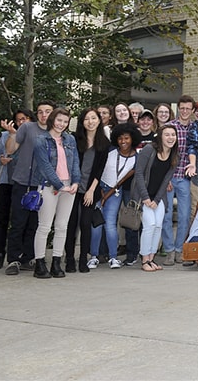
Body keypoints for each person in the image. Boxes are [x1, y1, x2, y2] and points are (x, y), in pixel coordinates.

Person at [1, 100, 56, 275]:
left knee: (36, 224)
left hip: (44, 185)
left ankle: (29, 257)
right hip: (23, 182)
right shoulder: (27, 128)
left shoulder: (57, 131)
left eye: (48, 111)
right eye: (40, 111)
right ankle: (14, 260)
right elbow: (10, 150)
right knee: (18, 222)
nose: (44, 115)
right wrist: (11, 134)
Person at [32, 108, 80, 278]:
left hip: (69, 187)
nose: (62, 124)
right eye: (59, 120)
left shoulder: (70, 139)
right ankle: (39, 263)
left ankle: (56, 263)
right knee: (44, 226)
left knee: (62, 226)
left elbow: (74, 162)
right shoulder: (40, 140)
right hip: (48, 186)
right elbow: (45, 167)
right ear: (52, 120)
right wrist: (59, 185)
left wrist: (75, 182)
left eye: (65, 121)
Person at [88, 123, 140, 270]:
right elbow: (98, 171)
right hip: (98, 188)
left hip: (114, 192)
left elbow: (121, 181)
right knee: (96, 223)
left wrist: (107, 196)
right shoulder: (109, 151)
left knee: (110, 224)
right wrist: (100, 193)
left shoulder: (136, 158)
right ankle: (93, 257)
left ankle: (113, 257)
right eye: (120, 138)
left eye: (126, 138)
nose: (123, 141)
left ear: (132, 139)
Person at [66, 108, 109, 274]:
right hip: (72, 188)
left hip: (90, 190)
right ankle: (69, 258)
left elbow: (99, 170)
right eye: (86, 119)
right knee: (71, 224)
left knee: (85, 224)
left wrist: (91, 190)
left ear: (99, 120)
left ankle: (83, 258)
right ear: (82, 122)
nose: (90, 122)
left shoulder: (104, 143)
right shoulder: (74, 139)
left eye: (93, 118)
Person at [0, 109, 33, 270]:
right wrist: (0, 159)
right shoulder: (5, 135)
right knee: (2, 219)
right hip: (5, 182)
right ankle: (0, 255)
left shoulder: (33, 136)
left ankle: (21, 255)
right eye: (18, 119)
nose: (21, 122)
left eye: (25, 119)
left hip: (23, 183)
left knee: (21, 220)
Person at [131, 125, 177, 272]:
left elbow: (166, 180)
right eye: (167, 135)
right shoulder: (149, 149)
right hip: (142, 195)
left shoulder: (175, 155)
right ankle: (144, 260)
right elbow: (138, 173)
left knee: (158, 226)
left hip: (158, 197)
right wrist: (145, 198)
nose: (171, 138)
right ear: (160, 137)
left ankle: (151, 258)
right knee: (150, 225)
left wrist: (156, 200)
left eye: (173, 135)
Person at [162, 95, 194, 266]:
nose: (185, 111)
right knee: (166, 216)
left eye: (188, 108)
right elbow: (163, 154)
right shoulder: (170, 127)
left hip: (185, 178)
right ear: (178, 109)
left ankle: (180, 249)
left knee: (184, 216)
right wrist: (165, 178)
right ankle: (169, 250)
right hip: (169, 177)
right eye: (182, 108)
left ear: (192, 111)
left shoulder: (195, 128)